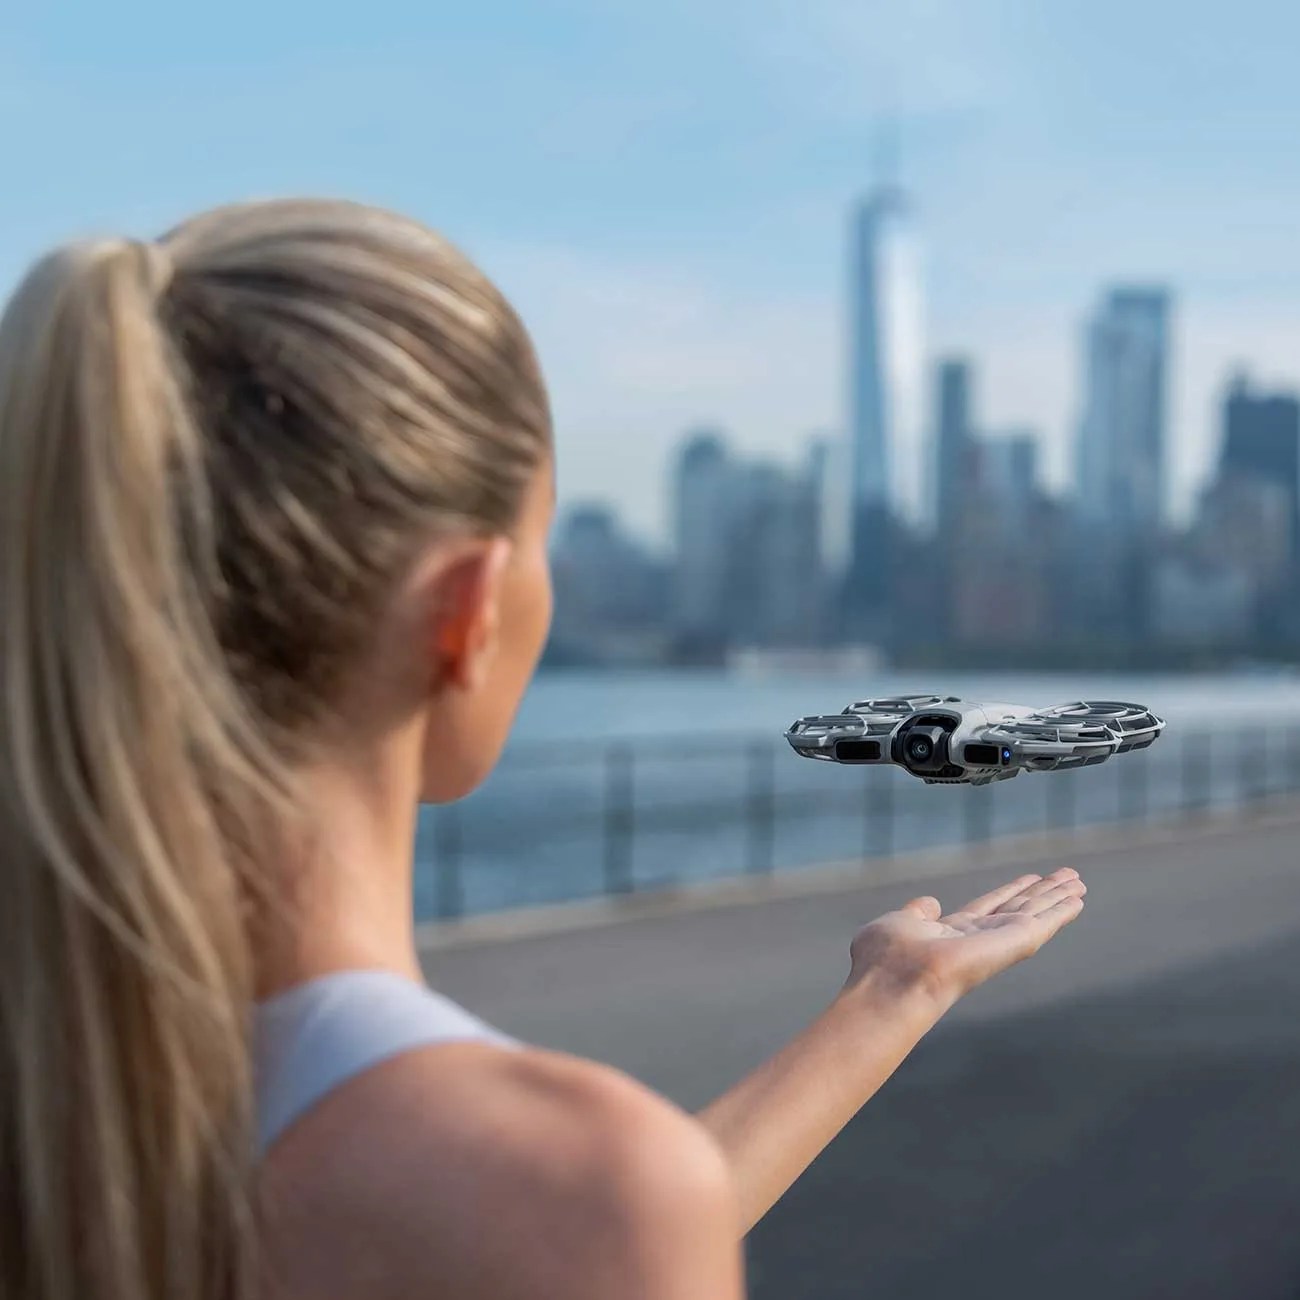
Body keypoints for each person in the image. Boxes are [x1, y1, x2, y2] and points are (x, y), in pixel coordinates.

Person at [0, 197, 1087, 1300]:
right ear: (466, 609)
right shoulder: (555, 1190)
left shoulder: (71, 1098)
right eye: (543, 539)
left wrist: (892, 993)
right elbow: (560, 1225)